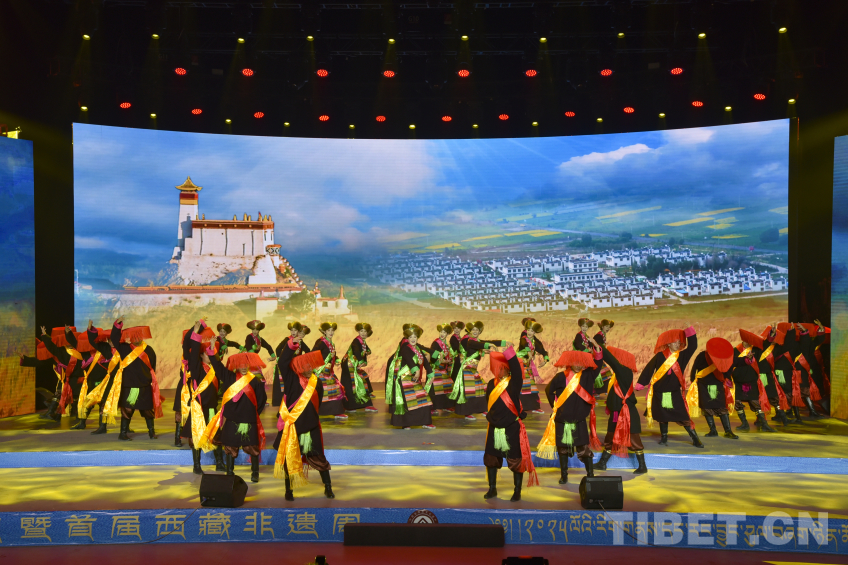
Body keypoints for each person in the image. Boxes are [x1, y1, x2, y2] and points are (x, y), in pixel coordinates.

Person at [537, 347, 604, 485]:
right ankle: (564, 475)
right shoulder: (560, 377)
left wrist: (597, 351)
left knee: (584, 449)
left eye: (581, 363)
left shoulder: (587, 376)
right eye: (575, 362)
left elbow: (598, 365)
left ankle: (590, 474)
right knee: (562, 449)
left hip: (579, 420)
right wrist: (556, 407)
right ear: (570, 362)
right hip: (562, 420)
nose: (578, 365)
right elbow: (549, 390)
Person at [272, 349, 334, 500]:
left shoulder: (317, 382)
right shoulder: (291, 380)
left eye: (310, 366)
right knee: (289, 459)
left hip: (311, 426)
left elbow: (318, 403)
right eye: (305, 367)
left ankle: (328, 487)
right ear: (299, 368)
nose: (308, 369)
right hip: (294, 427)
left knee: (319, 458)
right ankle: (289, 490)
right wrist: (291, 344)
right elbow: (282, 362)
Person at [198, 349, 268, 483]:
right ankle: (230, 472)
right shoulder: (229, 377)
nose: (243, 367)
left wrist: (253, 414)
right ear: (236, 366)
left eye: (245, 365)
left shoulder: (255, 381)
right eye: (240, 365)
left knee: (253, 448)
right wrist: (212, 352)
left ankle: (255, 473)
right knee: (230, 447)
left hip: (249, 420)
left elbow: (262, 400)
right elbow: (218, 366)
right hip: (232, 420)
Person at [483, 347, 539, 501]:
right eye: (497, 368)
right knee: (491, 459)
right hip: (494, 427)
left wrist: (509, 353)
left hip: (511, 428)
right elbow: (489, 403)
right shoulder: (491, 384)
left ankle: (517, 491)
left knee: (515, 460)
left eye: (502, 368)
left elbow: (517, 369)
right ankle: (492, 489)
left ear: (508, 369)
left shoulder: (514, 383)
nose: (499, 370)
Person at [636, 326, 703, 448]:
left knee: (683, 416)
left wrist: (689, 330)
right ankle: (664, 437)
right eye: (675, 342)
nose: (678, 344)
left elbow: (693, 346)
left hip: (674, 392)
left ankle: (695, 438)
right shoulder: (659, 356)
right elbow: (649, 369)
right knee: (662, 416)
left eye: (679, 342)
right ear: (668, 343)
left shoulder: (682, 356)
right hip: (659, 392)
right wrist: (641, 383)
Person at [102, 317, 164, 441]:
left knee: (148, 411)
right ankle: (123, 433)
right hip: (130, 386)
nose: (136, 339)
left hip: (144, 387)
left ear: (141, 337)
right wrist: (117, 325)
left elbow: (152, 367)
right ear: (130, 338)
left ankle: (151, 432)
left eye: (138, 337)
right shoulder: (124, 348)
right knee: (127, 410)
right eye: (133, 337)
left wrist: (147, 379)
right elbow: (114, 338)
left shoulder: (149, 350)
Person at [593, 341, 648, 474]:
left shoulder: (625, 372)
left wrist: (598, 346)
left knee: (634, 440)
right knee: (610, 438)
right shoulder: (617, 377)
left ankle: (642, 466)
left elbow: (612, 362)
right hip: (617, 413)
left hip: (627, 414)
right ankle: (602, 463)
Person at [181, 320, 223, 474]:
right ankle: (197, 465)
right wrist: (196, 333)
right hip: (199, 408)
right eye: (206, 353)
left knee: (216, 434)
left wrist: (212, 347)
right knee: (196, 436)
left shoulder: (215, 369)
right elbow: (191, 352)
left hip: (211, 408)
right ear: (200, 355)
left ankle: (219, 462)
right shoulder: (197, 368)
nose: (209, 355)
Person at [448, 322, 509, 421]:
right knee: (469, 391)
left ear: (480, 331)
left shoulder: (476, 340)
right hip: (467, 369)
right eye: (473, 330)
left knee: (480, 388)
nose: (475, 331)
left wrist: (504, 342)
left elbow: (486, 342)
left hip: (473, 369)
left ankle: (482, 409)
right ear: (469, 331)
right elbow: (478, 345)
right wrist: (489, 345)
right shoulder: (469, 341)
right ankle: (467, 413)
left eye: (477, 330)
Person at [686, 337, 738, 439]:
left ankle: (728, 431)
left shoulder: (720, 357)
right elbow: (694, 367)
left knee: (721, 407)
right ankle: (713, 430)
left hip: (717, 384)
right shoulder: (702, 355)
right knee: (706, 408)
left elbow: (728, 367)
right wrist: (693, 380)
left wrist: (727, 377)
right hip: (703, 385)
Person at [73, 321, 120, 433]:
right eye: (109, 340)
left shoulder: (122, 349)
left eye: (112, 340)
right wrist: (90, 330)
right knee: (93, 402)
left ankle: (125, 428)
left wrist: (118, 325)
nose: (111, 342)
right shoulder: (105, 350)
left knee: (126, 406)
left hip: (119, 381)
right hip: (103, 382)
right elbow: (93, 342)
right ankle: (93, 425)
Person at [387, 324, 436, 429]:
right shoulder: (405, 348)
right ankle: (405, 424)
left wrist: (431, 373)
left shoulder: (417, 349)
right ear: (407, 338)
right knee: (408, 401)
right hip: (404, 379)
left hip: (413, 379)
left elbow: (425, 361)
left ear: (417, 338)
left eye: (415, 337)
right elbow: (409, 359)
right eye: (410, 337)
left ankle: (426, 422)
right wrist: (416, 369)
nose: (413, 339)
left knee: (423, 399)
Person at [731, 329, 776, 433]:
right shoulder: (735, 350)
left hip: (751, 381)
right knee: (737, 403)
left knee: (756, 404)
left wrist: (771, 336)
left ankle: (764, 424)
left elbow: (765, 345)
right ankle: (744, 424)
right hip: (738, 381)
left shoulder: (756, 350)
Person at [758, 326, 792, 426]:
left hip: (769, 376)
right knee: (759, 399)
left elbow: (787, 347)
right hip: (760, 377)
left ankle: (784, 418)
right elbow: (767, 343)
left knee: (774, 398)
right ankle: (760, 420)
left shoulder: (776, 348)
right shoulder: (759, 347)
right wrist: (771, 335)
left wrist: (791, 332)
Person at [341, 323, 378, 413]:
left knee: (356, 382)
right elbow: (356, 351)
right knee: (355, 384)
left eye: (365, 331)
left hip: (352, 364)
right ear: (358, 331)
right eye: (361, 331)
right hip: (349, 364)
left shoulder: (362, 341)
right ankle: (353, 406)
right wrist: (362, 361)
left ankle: (353, 406)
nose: (363, 333)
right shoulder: (356, 341)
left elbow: (367, 350)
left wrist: (368, 352)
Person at [313, 322, 346, 419]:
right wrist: (326, 359)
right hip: (321, 371)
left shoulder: (331, 343)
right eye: (328, 330)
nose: (331, 332)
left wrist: (337, 359)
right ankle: (319, 412)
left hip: (328, 371)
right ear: (324, 331)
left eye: (332, 330)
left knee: (335, 389)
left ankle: (336, 411)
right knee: (328, 389)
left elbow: (333, 355)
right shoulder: (320, 342)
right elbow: (313, 354)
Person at [515, 320, 549, 414]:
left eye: (532, 331)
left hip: (527, 365)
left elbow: (542, 350)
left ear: (535, 332)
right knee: (522, 385)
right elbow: (524, 344)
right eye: (528, 330)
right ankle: (518, 406)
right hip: (519, 364)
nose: (529, 332)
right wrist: (529, 353)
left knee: (530, 386)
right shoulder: (524, 338)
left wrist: (545, 359)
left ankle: (533, 406)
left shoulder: (534, 341)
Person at [272, 322, 310, 407]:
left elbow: (308, 350)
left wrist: (302, 360)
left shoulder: (300, 341)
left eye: (295, 330)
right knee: (285, 383)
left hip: (296, 366)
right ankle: (283, 402)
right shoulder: (287, 339)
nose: (293, 332)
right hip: (286, 366)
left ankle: (294, 400)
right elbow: (278, 349)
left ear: (298, 331)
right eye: (291, 330)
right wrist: (282, 360)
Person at [428, 323, 457, 411]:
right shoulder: (436, 343)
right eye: (441, 332)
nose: (442, 334)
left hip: (443, 369)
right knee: (435, 389)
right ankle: (433, 407)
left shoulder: (446, 344)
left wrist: (449, 360)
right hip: (436, 369)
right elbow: (432, 356)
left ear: (447, 333)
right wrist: (443, 361)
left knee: (449, 385)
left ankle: (446, 406)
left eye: (444, 332)